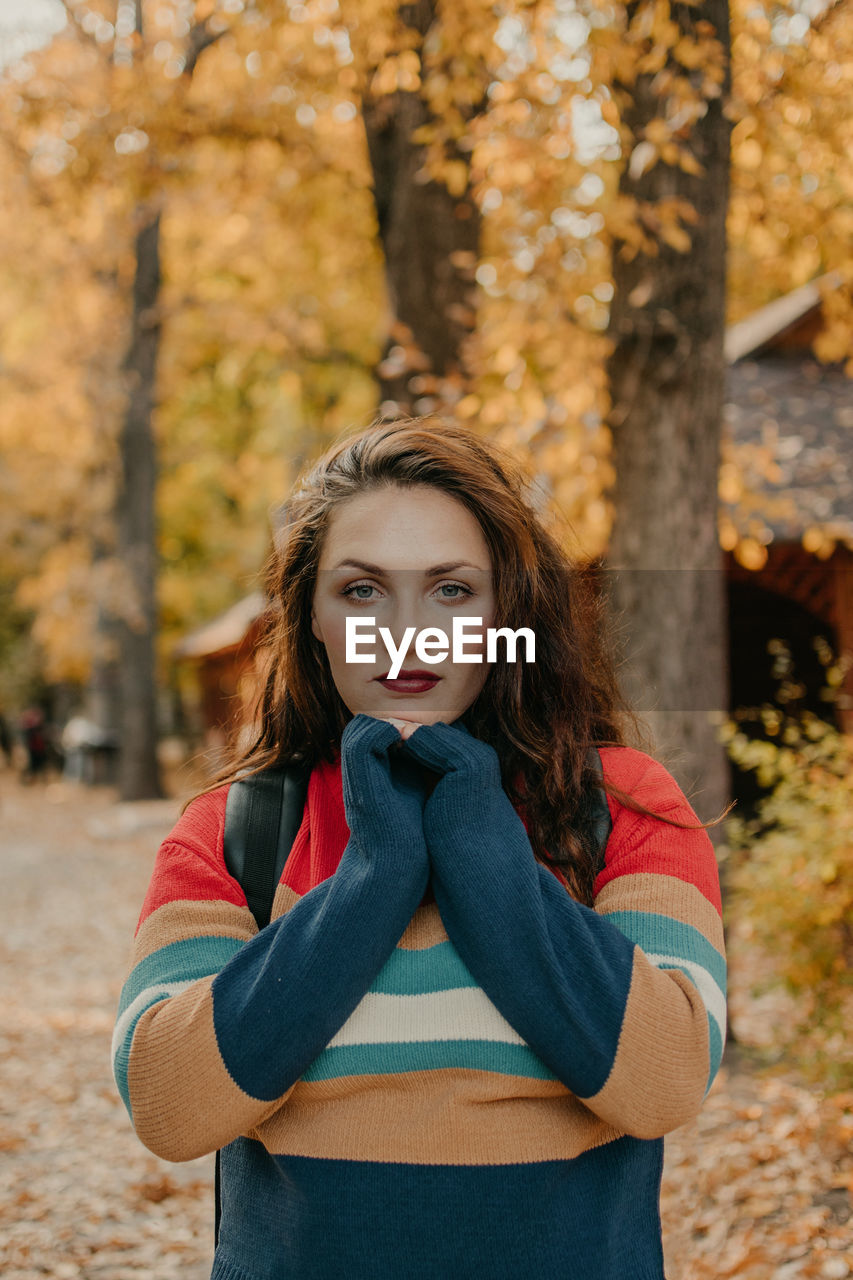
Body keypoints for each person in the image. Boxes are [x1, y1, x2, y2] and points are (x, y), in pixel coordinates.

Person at [112, 416, 727, 1279]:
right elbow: (169, 1107)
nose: (407, 631)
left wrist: (484, 858)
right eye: (362, 591)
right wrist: (370, 880)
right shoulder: (234, 831)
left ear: (508, 614)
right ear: (312, 620)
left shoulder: (624, 805)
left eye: (451, 590)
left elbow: (662, 1083)